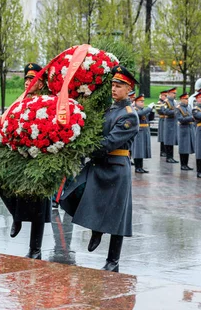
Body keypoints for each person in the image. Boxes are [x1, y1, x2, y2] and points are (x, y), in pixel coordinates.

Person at [59, 65, 139, 272]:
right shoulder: (109, 109)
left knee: (118, 216)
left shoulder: (130, 116)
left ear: (129, 89)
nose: (114, 89)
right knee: (73, 192)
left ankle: (113, 261)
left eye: (119, 86)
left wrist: (83, 149)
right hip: (99, 164)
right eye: (113, 84)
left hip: (116, 167)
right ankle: (97, 227)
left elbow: (110, 142)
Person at [0, 63, 51, 259]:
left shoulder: (48, 101)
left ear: (41, 83)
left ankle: (35, 249)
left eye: (32, 79)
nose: (28, 83)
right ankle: (17, 216)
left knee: (39, 202)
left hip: (40, 155)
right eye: (26, 79)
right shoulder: (20, 101)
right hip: (18, 152)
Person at [133, 94, 153, 173]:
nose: (142, 103)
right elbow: (140, 114)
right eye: (141, 101)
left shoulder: (143, 109)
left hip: (144, 131)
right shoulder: (135, 109)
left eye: (143, 101)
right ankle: (137, 167)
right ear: (136, 102)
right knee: (138, 150)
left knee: (141, 150)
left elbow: (150, 118)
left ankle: (140, 167)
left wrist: (151, 111)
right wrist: (149, 108)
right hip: (138, 131)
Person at [158, 87, 179, 163]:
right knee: (169, 140)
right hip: (168, 122)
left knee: (172, 140)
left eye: (175, 93)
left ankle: (171, 156)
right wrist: (175, 111)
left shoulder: (173, 101)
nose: (175, 94)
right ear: (169, 93)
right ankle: (168, 157)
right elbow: (165, 111)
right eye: (174, 93)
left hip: (173, 122)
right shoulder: (166, 102)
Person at [176, 92, 195, 171]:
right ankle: (183, 164)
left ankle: (186, 164)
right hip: (183, 128)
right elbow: (180, 119)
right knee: (183, 147)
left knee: (187, 147)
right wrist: (191, 118)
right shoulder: (178, 108)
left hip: (189, 128)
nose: (187, 100)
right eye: (185, 99)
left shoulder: (189, 107)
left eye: (187, 98)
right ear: (181, 99)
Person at [156, 90, 168, 157]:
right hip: (162, 120)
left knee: (166, 135)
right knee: (162, 136)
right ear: (161, 96)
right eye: (165, 96)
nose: (166, 97)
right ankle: (162, 151)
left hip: (166, 119)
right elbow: (160, 111)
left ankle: (166, 150)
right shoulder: (159, 103)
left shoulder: (166, 102)